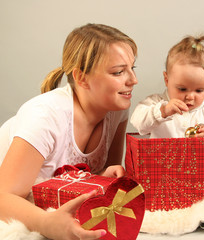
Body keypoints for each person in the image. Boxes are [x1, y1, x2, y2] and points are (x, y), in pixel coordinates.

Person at [0, 23, 138, 239]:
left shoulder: (116, 112)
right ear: (81, 78)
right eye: (119, 72)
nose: (133, 80)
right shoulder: (45, 115)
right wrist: (47, 224)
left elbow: (87, 180)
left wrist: (102, 177)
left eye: (132, 68)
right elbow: (2, 198)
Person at [130, 35, 204, 138]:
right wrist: (162, 111)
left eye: (199, 90)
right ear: (167, 80)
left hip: (197, 155)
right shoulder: (157, 102)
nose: (190, 97)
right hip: (163, 154)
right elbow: (137, 121)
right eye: (182, 89)